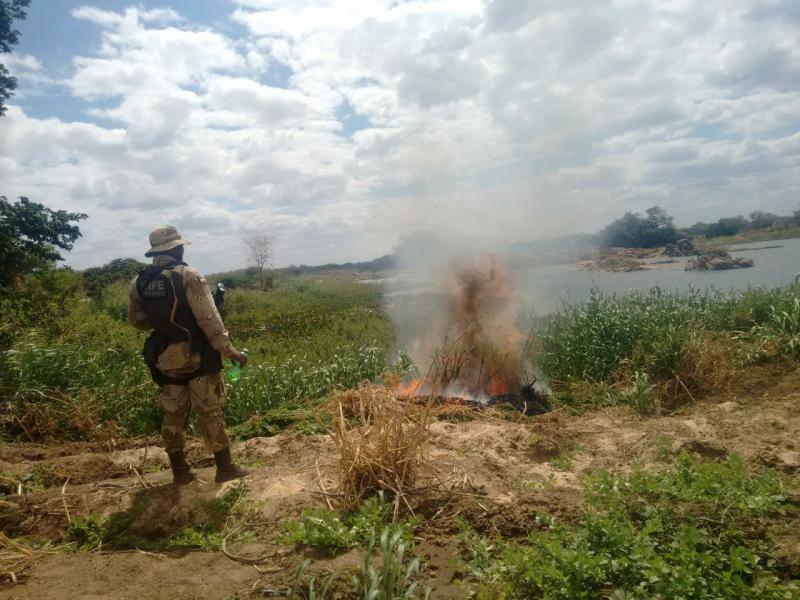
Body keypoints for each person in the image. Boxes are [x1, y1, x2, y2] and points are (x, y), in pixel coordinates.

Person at [128, 225, 249, 485]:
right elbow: (210, 321)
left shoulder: (139, 282)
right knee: (210, 411)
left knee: (172, 414)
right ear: (177, 248)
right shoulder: (188, 276)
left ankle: (181, 472)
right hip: (199, 357)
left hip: (166, 359)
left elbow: (138, 322)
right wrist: (231, 352)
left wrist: (165, 324)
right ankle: (225, 468)